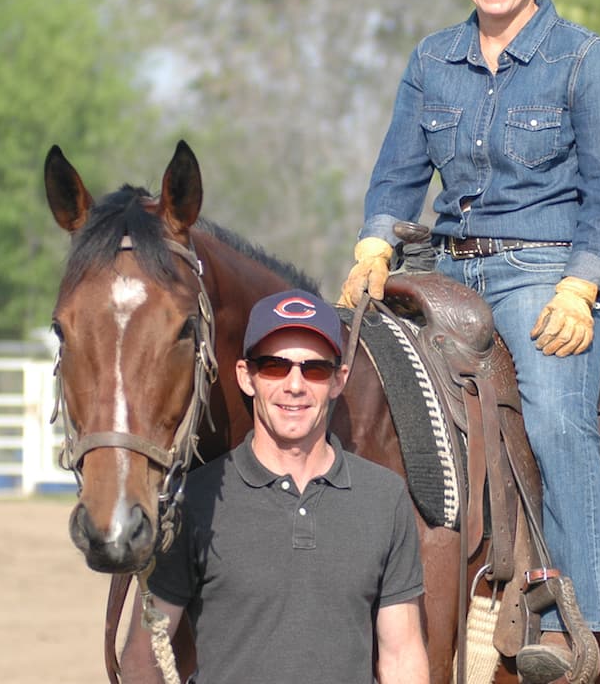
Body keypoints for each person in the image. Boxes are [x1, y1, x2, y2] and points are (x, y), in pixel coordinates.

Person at [340, 0, 600, 683]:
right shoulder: (432, 60)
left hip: (540, 267)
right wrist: (373, 244)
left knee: (554, 421)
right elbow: (397, 179)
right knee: (347, 395)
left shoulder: (584, 59)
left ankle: (575, 620)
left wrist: (582, 287)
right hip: (439, 267)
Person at [120, 289, 429, 684]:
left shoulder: (384, 498)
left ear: (339, 381)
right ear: (246, 377)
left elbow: (402, 656)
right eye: (274, 367)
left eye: (314, 369)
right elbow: (144, 658)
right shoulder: (194, 500)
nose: (295, 385)